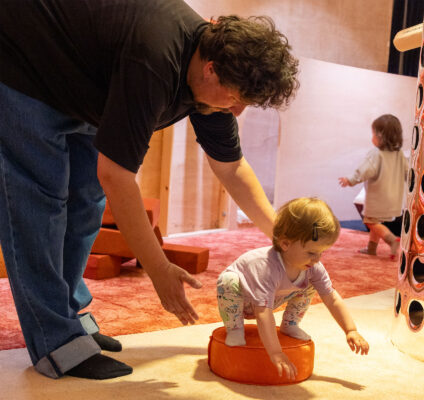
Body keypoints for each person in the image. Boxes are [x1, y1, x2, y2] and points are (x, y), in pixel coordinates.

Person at [0, 0, 299, 380]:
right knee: (39, 206)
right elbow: (117, 176)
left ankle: (68, 313)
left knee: (85, 203)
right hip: (22, 65)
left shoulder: (210, 74)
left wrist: (282, 236)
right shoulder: (155, 61)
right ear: (211, 70)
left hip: (84, 76)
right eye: (237, 99)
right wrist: (158, 269)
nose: (236, 111)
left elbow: (232, 166)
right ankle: (55, 339)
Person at [217, 197, 370, 380]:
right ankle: (234, 328)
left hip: (269, 299)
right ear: (285, 244)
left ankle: (290, 324)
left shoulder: (312, 267)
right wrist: (275, 352)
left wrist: (350, 330)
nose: (317, 259)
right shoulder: (266, 267)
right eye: (312, 252)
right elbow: (263, 313)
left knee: (311, 285)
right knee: (227, 281)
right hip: (243, 299)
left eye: (322, 252)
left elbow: (332, 298)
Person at [338, 114, 407, 259]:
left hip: (378, 198)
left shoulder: (376, 154)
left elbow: (364, 171)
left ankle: (391, 240)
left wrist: (350, 180)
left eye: (374, 134)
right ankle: (371, 248)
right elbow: (407, 173)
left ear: (381, 136)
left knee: (370, 221)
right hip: (394, 200)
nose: (372, 137)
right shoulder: (399, 154)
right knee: (376, 221)